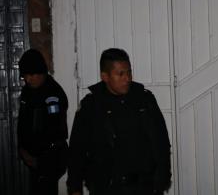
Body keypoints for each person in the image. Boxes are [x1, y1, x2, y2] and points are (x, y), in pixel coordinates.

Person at [67, 48, 171, 195]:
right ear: (105, 76)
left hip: (143, 186)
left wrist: (162, 178)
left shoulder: (144, 99)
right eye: (120, 74)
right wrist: (74, 187)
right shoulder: (91, 106)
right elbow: (77, 149)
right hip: (107, 187)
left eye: (129, 72)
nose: (127, 78)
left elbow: (161, 141)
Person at [17, 48, 68, 195]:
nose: (29, 79)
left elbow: (54, 129)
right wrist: (22, 148)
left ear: (42, 72)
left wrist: (38, 157)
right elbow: (23, 122)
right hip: (33, 158)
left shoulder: (53, 94)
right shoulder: (28, 91)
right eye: (26, 75)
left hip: (50, 157)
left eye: (33, 75)